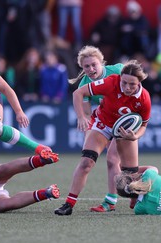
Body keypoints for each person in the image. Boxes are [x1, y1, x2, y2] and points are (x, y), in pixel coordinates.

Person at [55, 60, 151, 216]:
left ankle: (134, 194)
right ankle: (68, 204)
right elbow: (78, 93)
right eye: (124, 82)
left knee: (128, 176)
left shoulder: (144, 98)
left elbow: (144, 125)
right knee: (86, 162)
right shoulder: (111, 82)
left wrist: (135, 136)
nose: (127, 87)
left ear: (140, 82)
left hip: (124, 131)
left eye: (132, 84)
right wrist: (81, 117)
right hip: (103, 123)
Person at [68, 45, 124, 212]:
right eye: (86, 66)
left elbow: (137, 84)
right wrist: (84, 122)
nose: (91, 69)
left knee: (114, 160)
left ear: (102, 63)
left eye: (94, 64)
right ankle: (121, 198)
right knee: (115, 162)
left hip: (126, 120)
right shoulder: (84, 85)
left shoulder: (118, 70)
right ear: (82, 68)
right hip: (107, 122)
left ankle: (127, 195)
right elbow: (87, 115)